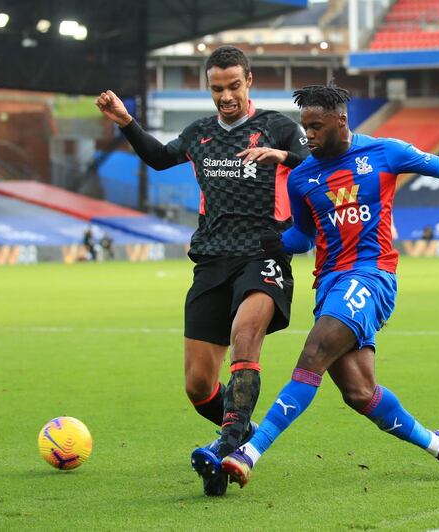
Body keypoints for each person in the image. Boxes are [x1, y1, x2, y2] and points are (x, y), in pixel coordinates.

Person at [220, 83, 439, 488]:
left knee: (313, 353)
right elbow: (304, 237)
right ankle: (438, 445)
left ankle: (250, 452)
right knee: (359, 393)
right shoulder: (301, 177)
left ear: (341, 121)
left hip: (372, 275)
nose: (309, 135)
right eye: (305, 127)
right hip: (331, 283)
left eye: (316, 127)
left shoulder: (383, 152)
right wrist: (277, 240)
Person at [95, 45, 309, 496]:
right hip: (211, 259)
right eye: (217, 88)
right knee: (197, 384)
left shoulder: (278, 127)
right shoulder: (200, 133)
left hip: (263, 252)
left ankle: (228, 447)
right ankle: (241, 430)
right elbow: (159, 157)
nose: (226, 96)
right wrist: (127, 123)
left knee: (245, 335)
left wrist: (281, 157)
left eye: (233, 85)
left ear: (248, 80)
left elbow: (322, 162)